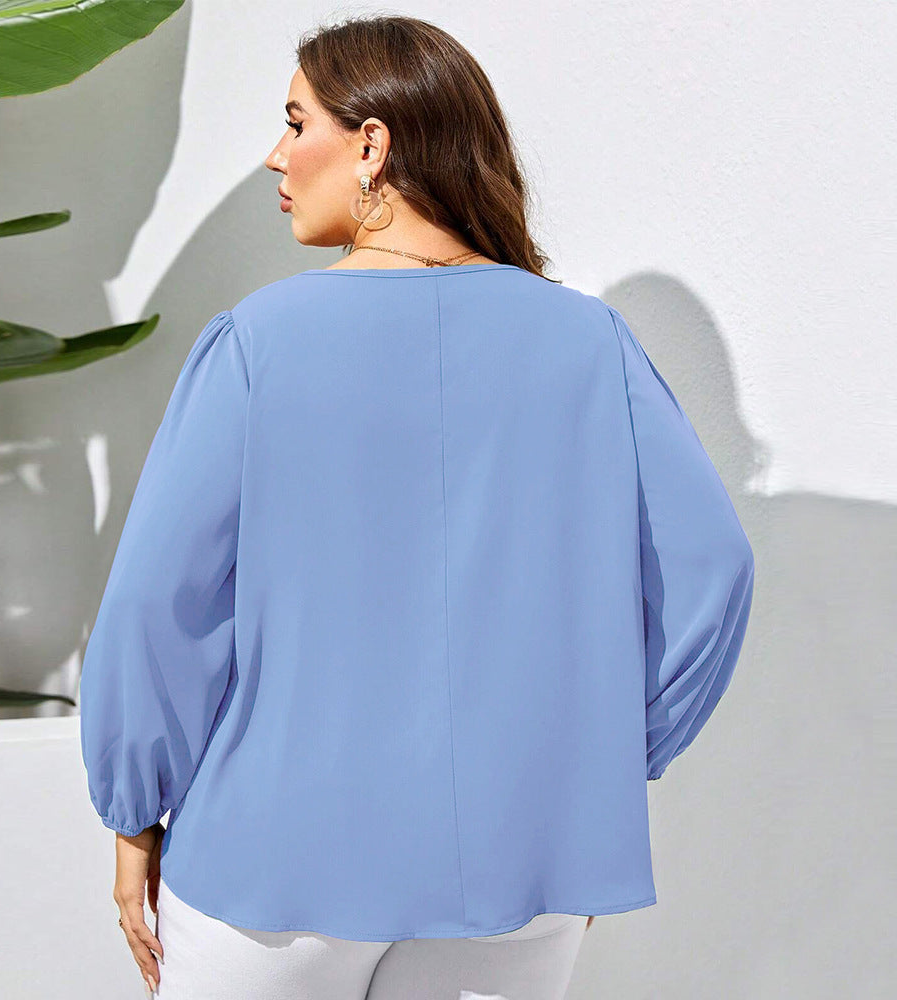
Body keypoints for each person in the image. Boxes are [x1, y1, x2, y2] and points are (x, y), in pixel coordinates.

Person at [78, 14, 756, 999]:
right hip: (518, 854)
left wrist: (134, 811)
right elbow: (713, 570)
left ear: (371, 144)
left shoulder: (259, 343)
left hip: (278, 854)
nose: (275, 155)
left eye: (295, 122)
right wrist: (598, 767)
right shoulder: (588, 343)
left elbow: (157, 603)